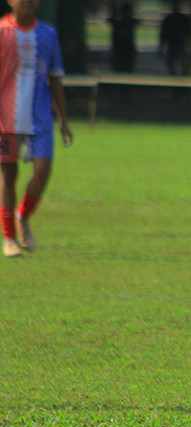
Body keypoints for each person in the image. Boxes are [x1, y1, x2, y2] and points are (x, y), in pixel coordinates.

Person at [1, 0, 73, 259]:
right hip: (5, 118)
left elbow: (55, 77)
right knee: (8, 175)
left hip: (39, 117)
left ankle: (23, 216)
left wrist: (63, 119)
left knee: (43, 171)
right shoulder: (1, 32)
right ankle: (9, 238)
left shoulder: (48, 34)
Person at [159, 0, 191, 75]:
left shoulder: (170, 19)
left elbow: (189, 33)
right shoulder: (181, 19)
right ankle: (176, 76)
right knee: (174, 63)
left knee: (180, 62)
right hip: (174, 44)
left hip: (180, 44)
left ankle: (180, 75)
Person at [108, 1, 139, 73]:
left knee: (124, 66)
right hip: (121, 49)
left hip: (124, 49)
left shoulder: (122, 23)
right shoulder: (119, 23)